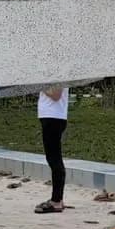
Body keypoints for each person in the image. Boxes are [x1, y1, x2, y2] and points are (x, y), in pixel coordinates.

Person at [35, 84, 69, 214]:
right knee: (53, 158)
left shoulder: (58, 70)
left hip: (53, 117)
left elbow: (56, 94)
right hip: (51, 116)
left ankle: (56, 201)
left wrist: (38, 85)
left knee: (54, 158)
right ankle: (57, 198)